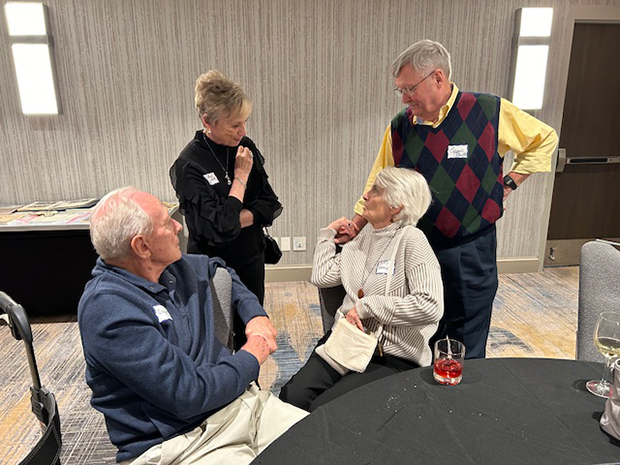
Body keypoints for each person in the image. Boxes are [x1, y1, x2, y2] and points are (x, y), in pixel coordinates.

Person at [337, 40, 558, 359]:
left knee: (466, 329)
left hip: (470, 247)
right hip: (414, 246)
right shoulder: (400, 127)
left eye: (409, 88)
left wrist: (510, 181)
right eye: (400, 90)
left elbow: (544, 139)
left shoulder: (488, 111)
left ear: (438, 78)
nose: (404, 98)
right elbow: (379, 179)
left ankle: (463, 399)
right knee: (420, 327)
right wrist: (357, 224)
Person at [78, 187, 306, 465]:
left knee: (330, 442)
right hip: (182, 443)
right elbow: (189, 396)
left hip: (239, 405)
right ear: (142, 246)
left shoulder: (171, 267)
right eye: (166, 223)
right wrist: (252, 355)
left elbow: (222, 271)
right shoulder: (108, 310)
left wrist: (255, 315)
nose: (178, 226)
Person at [279, 167, 443, 412]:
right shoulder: (360, 242)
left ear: (396, 206)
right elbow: (321, 276)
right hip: (346, 341)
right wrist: (327, 236)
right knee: (291, 398)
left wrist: (366, 307)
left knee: (327, 410)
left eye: (376, 190)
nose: (365, 195)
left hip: (392, 355)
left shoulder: (412, 240)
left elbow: (430, 306)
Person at [170, 70, 282, 348]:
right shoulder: (188, 165)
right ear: (208, 121)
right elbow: (216, 231)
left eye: (244, 122)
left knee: (251, 330)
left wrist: (233, 218)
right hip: (212, 266)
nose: (243, 131)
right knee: (217, 337)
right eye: (234, 125)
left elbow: (269, 202)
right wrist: (241, 179)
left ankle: (250, 386)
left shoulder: (245, 146)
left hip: (250, 258)